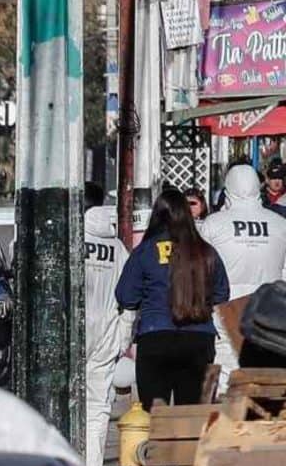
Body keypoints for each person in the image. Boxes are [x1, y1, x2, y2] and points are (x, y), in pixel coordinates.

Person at [116, 190, 229, 410]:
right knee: (192, 417)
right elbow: (222, 294)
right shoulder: (205, 251)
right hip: (199, 340)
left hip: (155, 337)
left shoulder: (145, 251)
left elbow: (126, 296)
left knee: (156, 418)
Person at [197, 164, 286, 393]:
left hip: (224, 306)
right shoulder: (280, 224)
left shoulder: (213, 224)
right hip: (269, 309)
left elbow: (201, 270)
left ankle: (230, 423)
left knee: (228, 371)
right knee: (267, 376)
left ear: (228, 190)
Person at [84, 205, 134, 466]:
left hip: (74, 328)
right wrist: (123, 337)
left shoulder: (73, 241)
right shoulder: (118, 251)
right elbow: (129, 299)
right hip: (105, 331)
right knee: (98, 403)